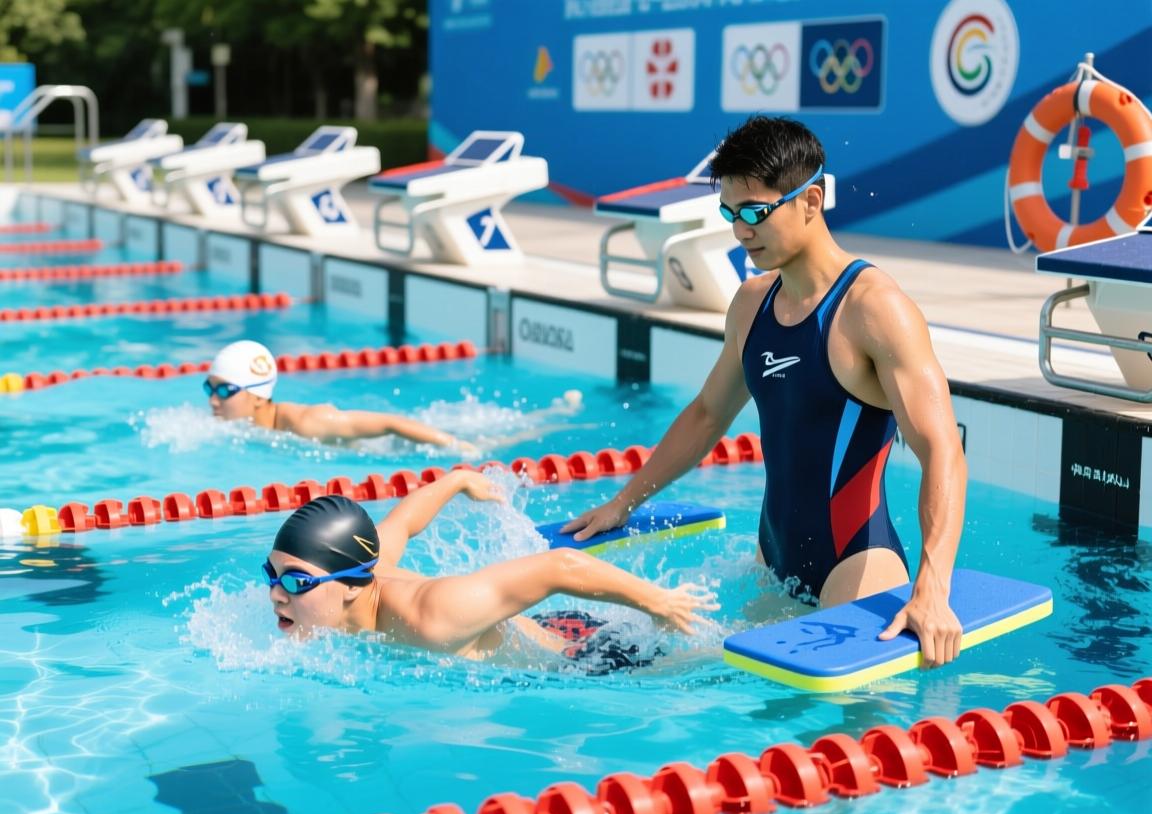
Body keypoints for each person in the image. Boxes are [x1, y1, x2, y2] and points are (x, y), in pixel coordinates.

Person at [563, 116, 968, 667]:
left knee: (844, 739)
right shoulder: (751, 304)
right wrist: (622, 502)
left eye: (754, 212)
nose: (740, 230)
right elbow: (708, 414)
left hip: (856, 565)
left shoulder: (874, 309)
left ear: (812, 200)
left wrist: (933, 588)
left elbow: (942, 449)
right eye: (729, 213)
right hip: (772, 556)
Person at [263, 470, 717, 669]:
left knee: (711, 660)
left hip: (587, 660)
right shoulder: (363, 569)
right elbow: (401, 523)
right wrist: (456, 480)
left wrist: (659, 601)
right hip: (536, 629)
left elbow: (558, 566)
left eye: (296, 582)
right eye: (272, 574)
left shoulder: (432, 617)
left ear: (348, 586)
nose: (276, 595)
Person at [204, 339, 475, 451]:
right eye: (210, 388)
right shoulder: (241, 427)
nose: (213, 400)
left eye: (225, 390)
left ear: (259, 396)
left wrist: (456, 445)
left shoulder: (308, 422)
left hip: (396, 445)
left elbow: (391, 423)